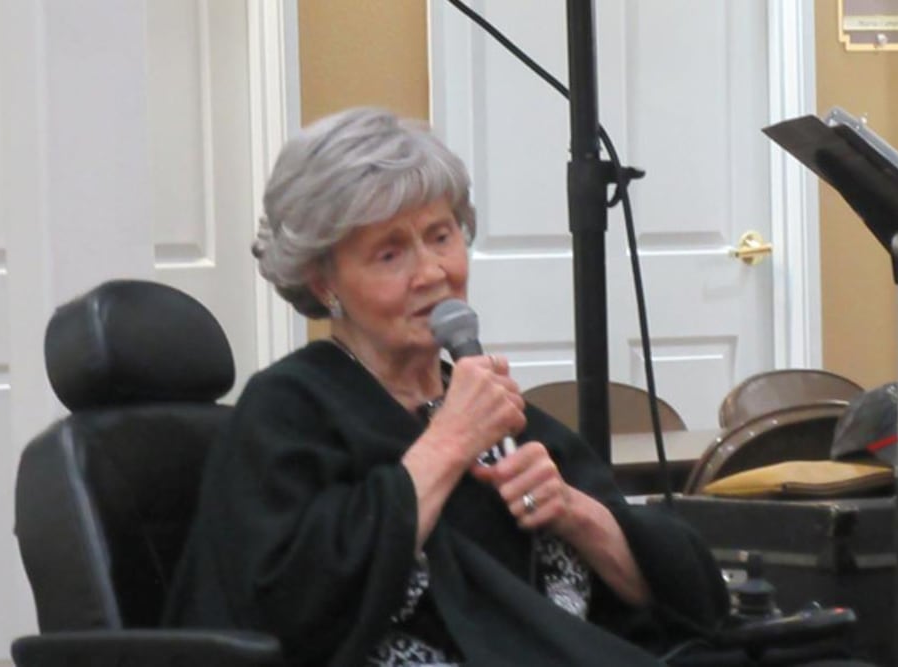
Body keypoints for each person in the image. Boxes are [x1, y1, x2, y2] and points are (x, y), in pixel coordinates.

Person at [162, 107, 729, 667]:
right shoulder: (288, 410)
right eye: (390, 253)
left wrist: (577, 514)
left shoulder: (493, 407)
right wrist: (449, 442)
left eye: (441, 236)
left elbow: (690, 603)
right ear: (324, 280)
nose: (432, 272)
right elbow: (289, 609)